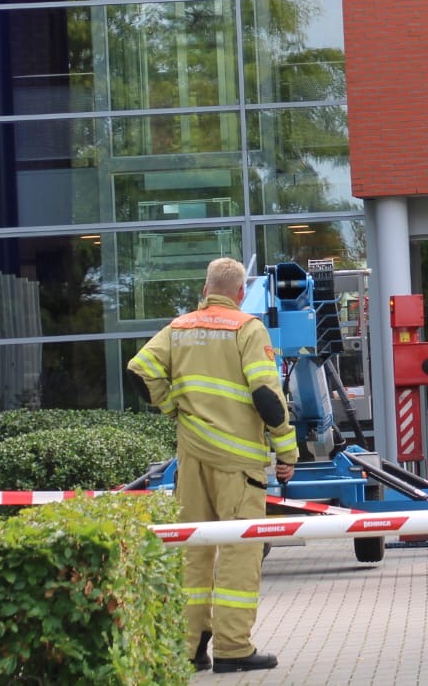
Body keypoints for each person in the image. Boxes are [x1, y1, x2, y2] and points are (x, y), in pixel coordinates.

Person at [127, 258, 296, 674]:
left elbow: (140, 369)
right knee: (240, 551)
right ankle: (233, 648)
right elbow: (266, 396)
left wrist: (172, 407)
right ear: (240, 293)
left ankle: (189, 647)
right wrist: (287, 452)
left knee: (192, 552)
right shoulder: (247, 329)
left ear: (206, 289)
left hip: (192, 459)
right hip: (239, 463)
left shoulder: (179, 327)